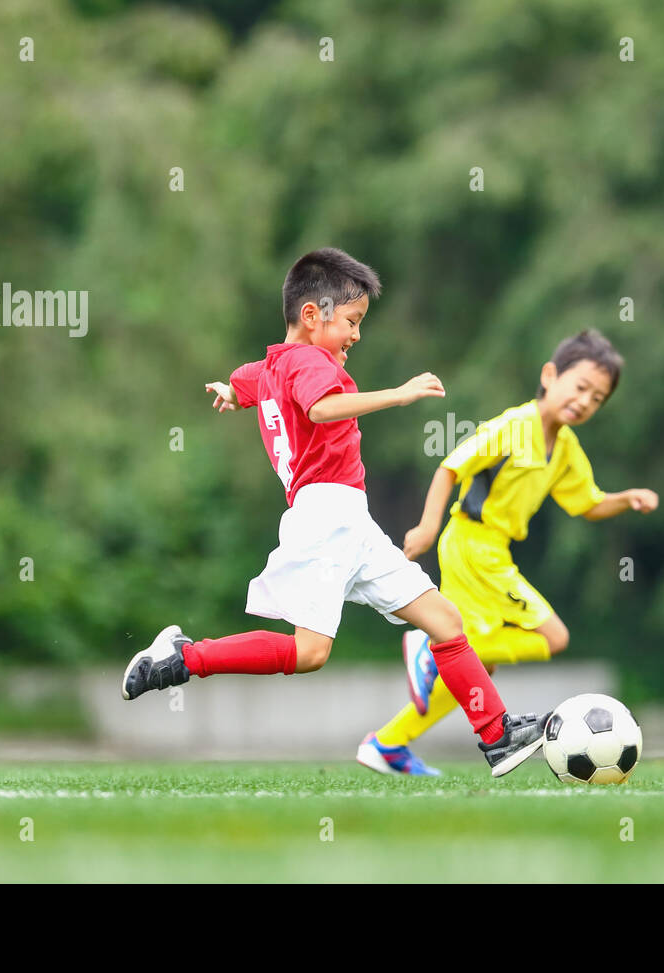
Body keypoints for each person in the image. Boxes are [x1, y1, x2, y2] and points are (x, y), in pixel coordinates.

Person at [121, 248, 547, 776]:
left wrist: (232, 391)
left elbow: (249, 379)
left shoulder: (276, 363)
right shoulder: (308, 362)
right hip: (325, 517)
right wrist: (398, 394)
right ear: (311, 315)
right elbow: (320, 408)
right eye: (351, 321)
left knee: (444, 620)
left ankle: (497, 736)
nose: (356, 334)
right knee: (309, 654)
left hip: (350, 520)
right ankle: (184, 658)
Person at [359, 329, 659, 776]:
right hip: (471, 545)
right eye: (580, 388)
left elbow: (587, 503)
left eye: (597, 398)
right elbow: (450, 467)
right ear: (550, 376)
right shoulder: (514, 426)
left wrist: (626, 498)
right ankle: (427, 645)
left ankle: (388, 743)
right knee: (552, 637)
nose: (585, 402)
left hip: (491, 551)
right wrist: (426, 526)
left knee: (479, 667)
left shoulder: (566, 449)